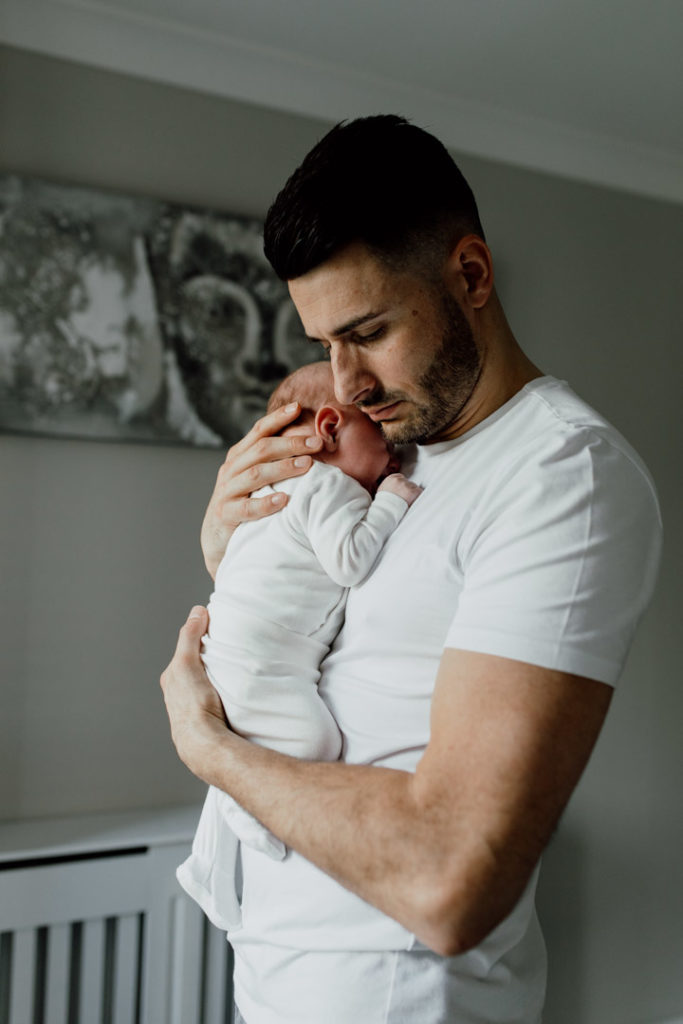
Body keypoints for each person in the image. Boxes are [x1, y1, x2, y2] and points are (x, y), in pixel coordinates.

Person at [160, 115, 662, 1023]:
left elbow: (449, 878)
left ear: (469, 275)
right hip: (276, 979)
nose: (344, 383)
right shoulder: (386, 451)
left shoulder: (563, 477)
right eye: (324, 346)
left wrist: (212, 750)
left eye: (368, 330)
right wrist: (231, 555)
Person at [176, 360, 421, 929]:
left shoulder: (278, 493)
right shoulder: (328, 485)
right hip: (255, 662)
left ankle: (206, 858)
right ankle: (243, 817)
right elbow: (351, 561)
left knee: (266, 744)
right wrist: (391, 499)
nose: (396, 456)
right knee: (313, 743)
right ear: (330, 426)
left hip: (242, 654)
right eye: (381, 437)